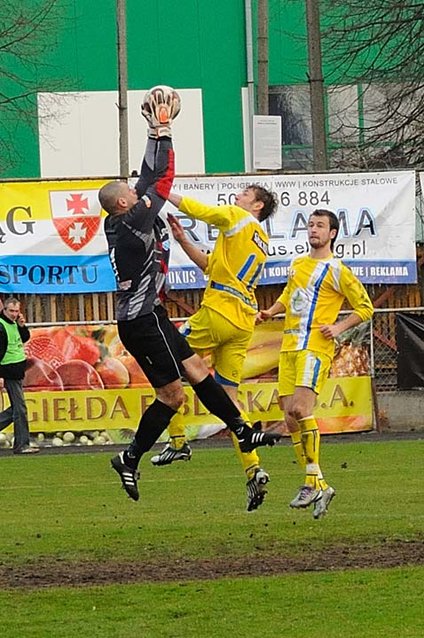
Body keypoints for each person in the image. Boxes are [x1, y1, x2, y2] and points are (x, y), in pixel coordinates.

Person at [98, 86, 281, 502]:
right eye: (131, 192)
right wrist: (163, 128)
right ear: (124, 203)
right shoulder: (133, 222)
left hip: (154, 316)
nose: (136, 191)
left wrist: (151, 132)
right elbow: (160, 180)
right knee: (179, 389)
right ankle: (151, 451)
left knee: (191, 376)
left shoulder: (129, 216)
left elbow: (147, 179)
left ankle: (226, 433)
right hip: (143, 320)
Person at [150, 184, 278, 512]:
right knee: (230, 400)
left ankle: (178, 442)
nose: (237, 197)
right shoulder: (259, 240)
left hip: (219, 311)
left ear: (257, 205)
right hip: (242, 321)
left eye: (244, 194)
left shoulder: (238, 218)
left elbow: (200, 210)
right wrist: (183, 242)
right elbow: (211, 266)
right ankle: (253, 469)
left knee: (164, 361)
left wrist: (163, 192)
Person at [258, 209, 373, 519]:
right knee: (290, 418)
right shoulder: (297, 264)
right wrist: (271, 311)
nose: (314, 230)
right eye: (310, 225)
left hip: (314, 347)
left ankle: (311, 481)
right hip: (289, 347)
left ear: (332, 233)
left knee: (300, 410)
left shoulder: (337, 270)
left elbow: (365, 308)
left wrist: (337, 328)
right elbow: (289, 294)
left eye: (320, 225)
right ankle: (320, 483)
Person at [0, 297, 40, 454]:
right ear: (4, 310)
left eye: (17, 311)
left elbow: (22, 339)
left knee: (17, 409)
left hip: (16, 371)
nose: (14, 314)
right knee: (20, 409)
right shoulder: (1, 326)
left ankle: (22, 444)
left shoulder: (13, 323)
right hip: (8, 371)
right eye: (11, 311)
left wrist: (22, 326)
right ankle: (22, 445)